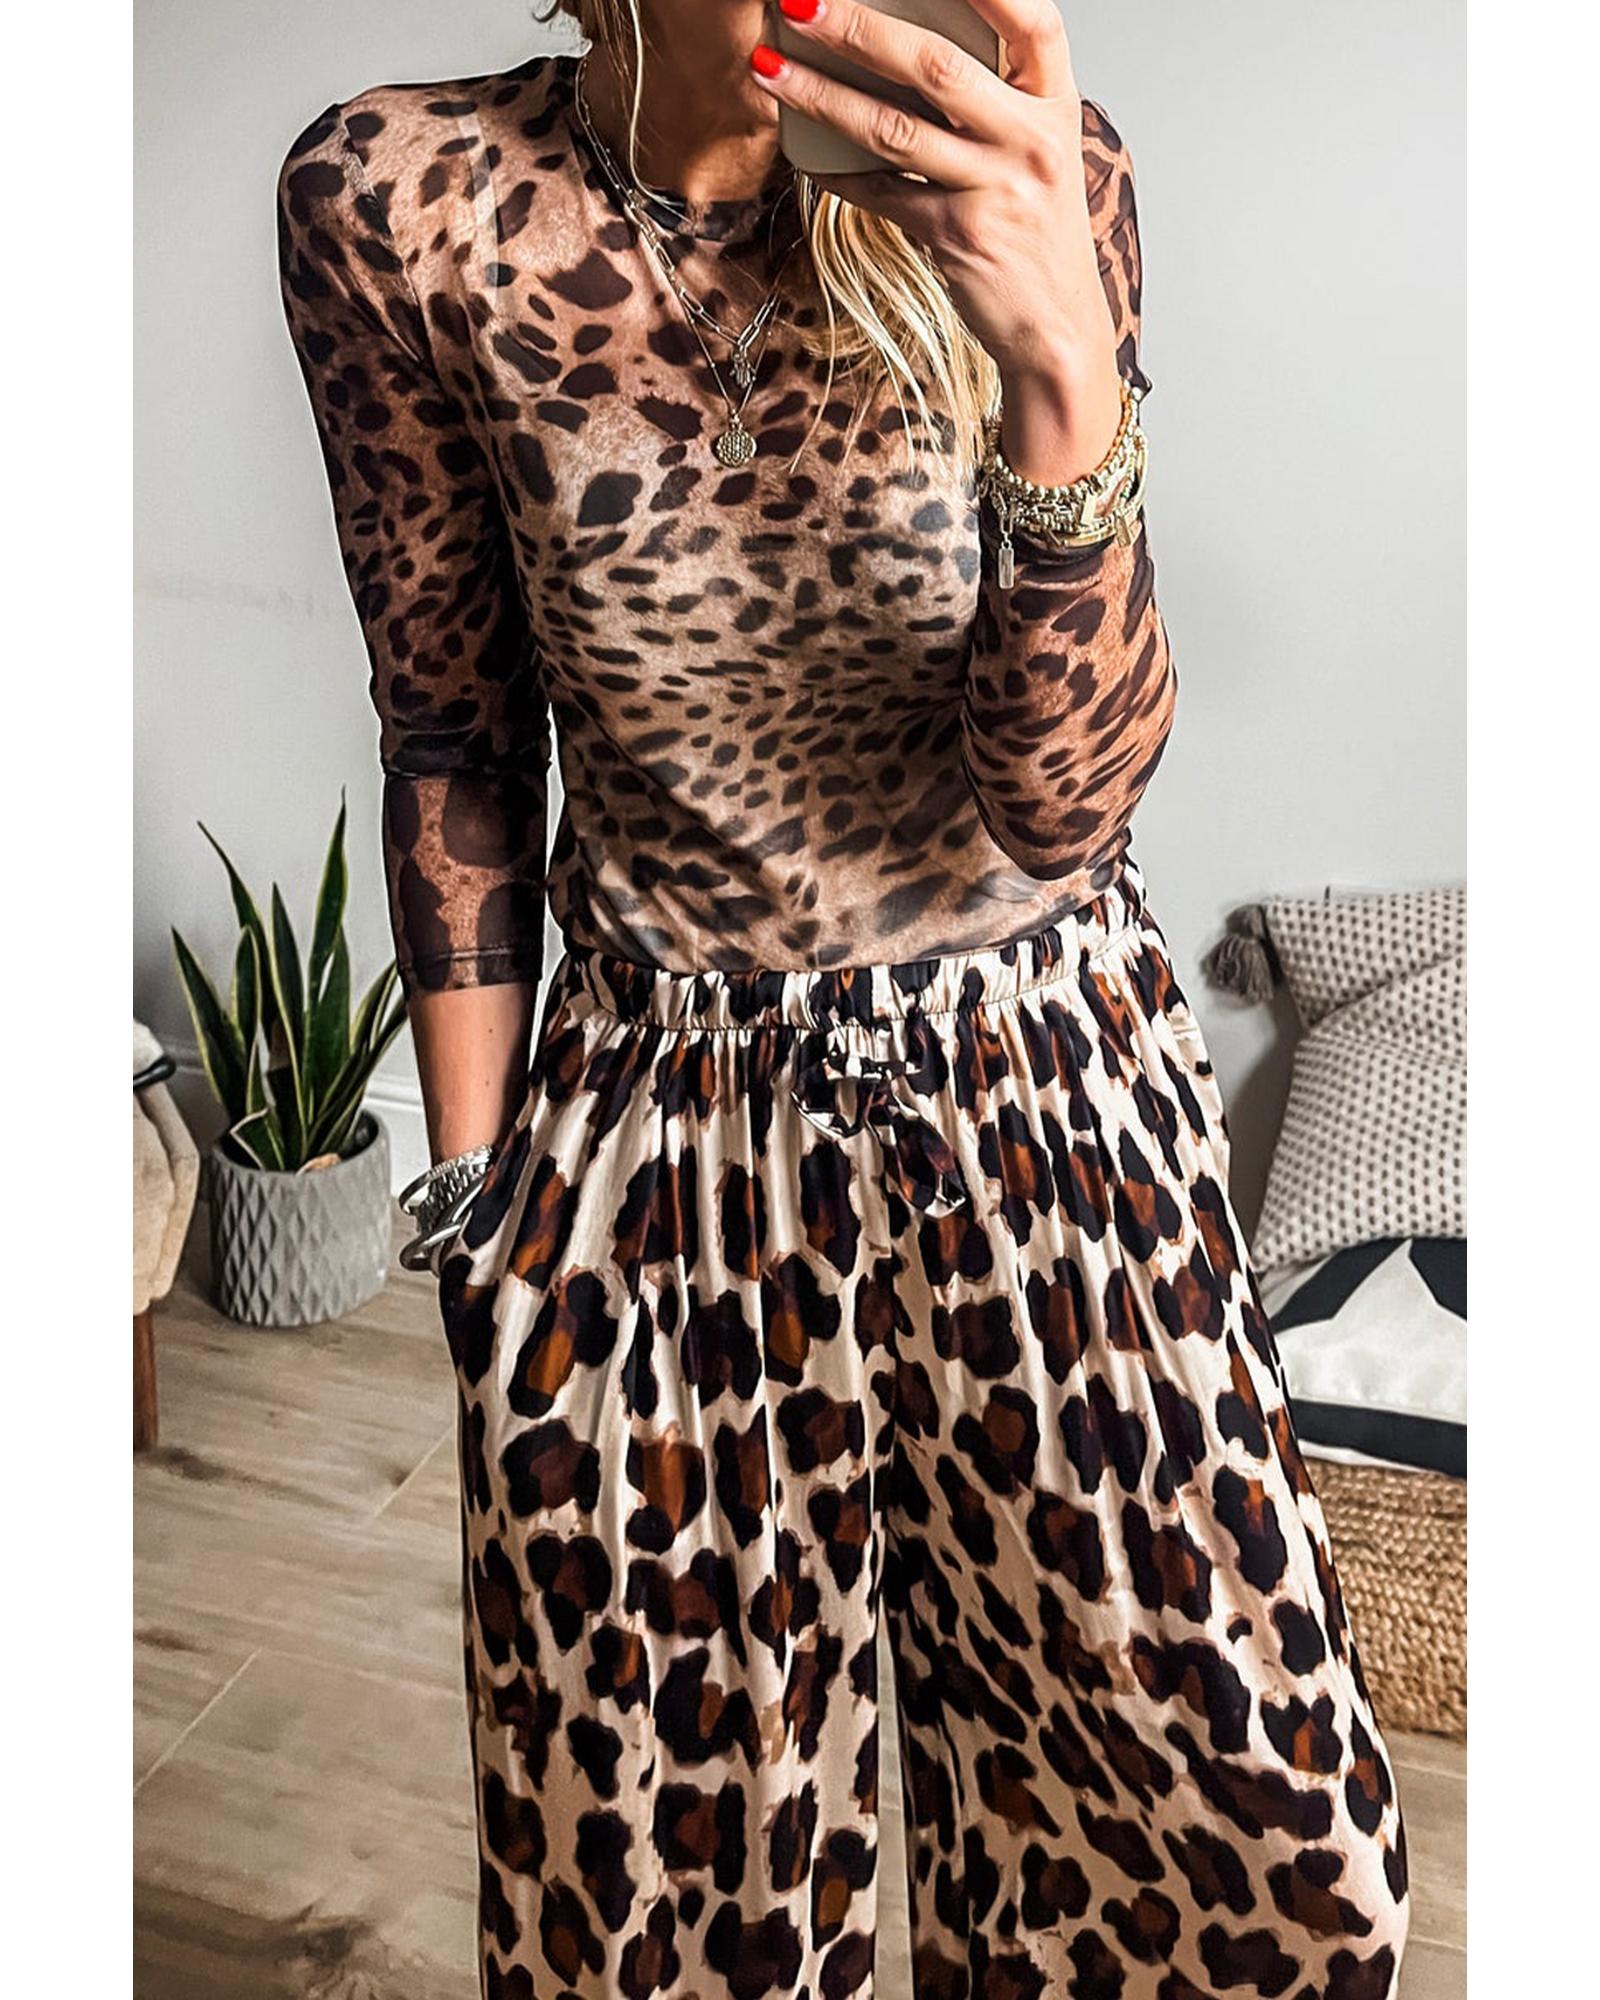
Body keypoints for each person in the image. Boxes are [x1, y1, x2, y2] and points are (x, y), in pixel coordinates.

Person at [276, 4, 1410, 1993]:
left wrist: (1057, 368)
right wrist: (476, 1217)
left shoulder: (1031, 168)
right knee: (654, 1908)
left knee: (1262, 1865)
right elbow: (450, 730)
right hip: (652, 1131)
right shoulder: (399, 199)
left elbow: (1063, 806)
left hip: (1044, 1092)